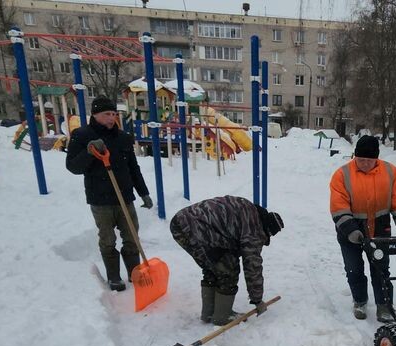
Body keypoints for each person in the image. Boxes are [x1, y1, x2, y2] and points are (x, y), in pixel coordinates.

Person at [66, 97, 154, 292]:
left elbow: (133, 168)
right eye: (107, 114)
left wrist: (143, 193)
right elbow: (72, 167)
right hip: (100, 199)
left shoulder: (123, 138)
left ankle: (134, 273)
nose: (111, 118)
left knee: (132, 236)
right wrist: (89, 152)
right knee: (107, 239)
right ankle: (114, 277)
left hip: (125, 196)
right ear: (95, 114)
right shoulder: (81, 135)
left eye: (114, 114)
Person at [329, 135, 396, 322]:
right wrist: (351, 230)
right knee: (354, 268)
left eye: (369, 160)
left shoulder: (390, 172)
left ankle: (384, 306)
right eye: (360, 160)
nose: (365, 164)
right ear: (355, 156)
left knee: (381, 269)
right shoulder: (342, 174)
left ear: (377, 158)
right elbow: (338, 206)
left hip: (380, 227)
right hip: (350, 229)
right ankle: (360, 301)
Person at [170, 196, 284, 325]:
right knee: (228, 269)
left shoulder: (248, 209)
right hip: (196, 229)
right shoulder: (254, 228)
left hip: (179, 223)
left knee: (212, 266)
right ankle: (222, 316)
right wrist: (257, 299)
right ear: (267, 229)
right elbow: (252, 265)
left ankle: (209, 313)